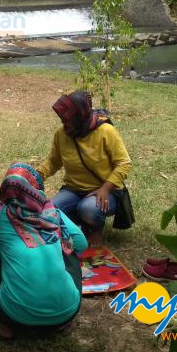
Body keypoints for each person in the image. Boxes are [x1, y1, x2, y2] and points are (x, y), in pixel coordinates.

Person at [0, 163, 86, 339]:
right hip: (67, 313)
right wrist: (54, 245)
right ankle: (59, 320)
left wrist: (4, 251)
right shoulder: (52, 211)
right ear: (37, 188)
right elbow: (81, 244)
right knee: (70, 253)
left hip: (16, 318)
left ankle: (3, 323)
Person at [36, 90, 132, 247]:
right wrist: (36, 176)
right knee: (49, 212)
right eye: (63, 120)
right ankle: (79, 225)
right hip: (73, 190)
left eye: (68, 120)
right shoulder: (62, 134)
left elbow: (124, 163)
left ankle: (95, 229)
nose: (64, 124)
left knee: (88, 209)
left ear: (80, 116)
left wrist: (105, 189)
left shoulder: (106, 131)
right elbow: (53, 161)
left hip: (104, 192)